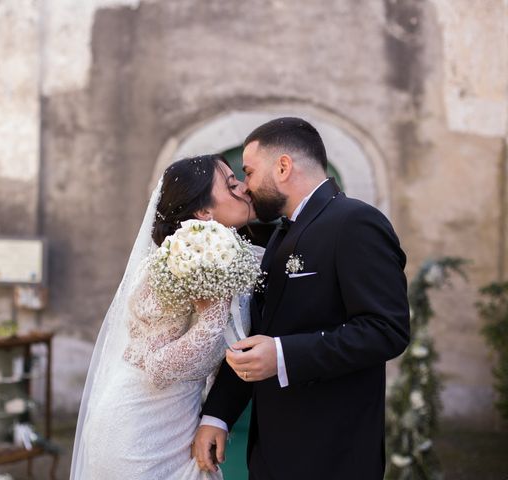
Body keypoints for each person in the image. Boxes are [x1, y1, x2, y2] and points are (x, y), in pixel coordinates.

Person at [193, 117, 410, 480]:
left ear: (283, 167)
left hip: (332, 451)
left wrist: (282, 355)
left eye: (248, 172)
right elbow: (256, 333)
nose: (245, 187)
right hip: (271, 453)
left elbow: (386, 330)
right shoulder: (278, 236)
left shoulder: (356, 222)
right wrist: (217, 415)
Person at [69, 154, 257, 479]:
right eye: (230, 184)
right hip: (138, 434)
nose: (244, 186)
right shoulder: (172, 267)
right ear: (203, 212)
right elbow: (157, 368)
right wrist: (212, 317)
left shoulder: (227, 261)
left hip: (178, 428)